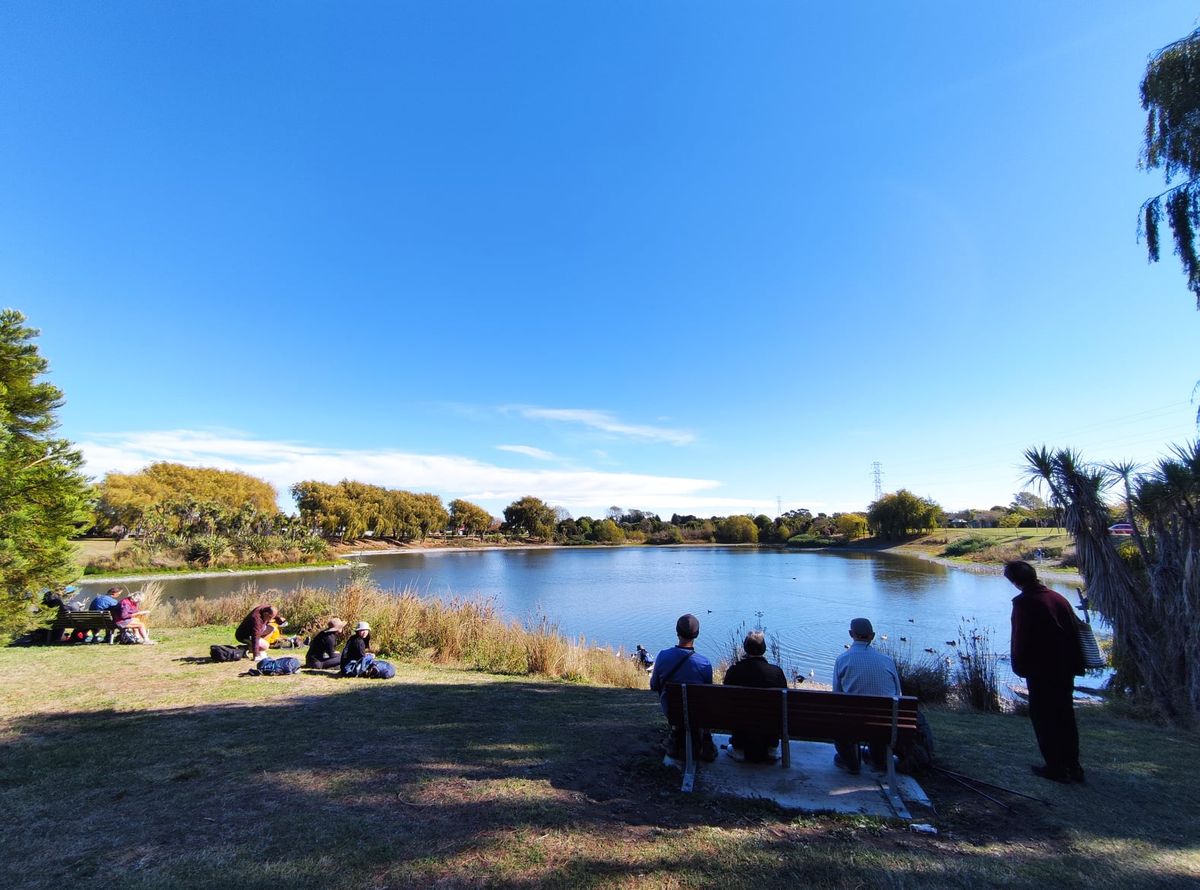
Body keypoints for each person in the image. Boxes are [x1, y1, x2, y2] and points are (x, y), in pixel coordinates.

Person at [1005, 560, 1086, 783]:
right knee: (1065, 715)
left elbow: (1020, 638)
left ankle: (1055, 767)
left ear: (1014, 581)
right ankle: (1073, 766)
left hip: (1041, 670)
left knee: (1044, 718)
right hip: (1065, 668)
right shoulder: (1058, 598)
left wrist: (1019, 665)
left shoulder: (1025, 603)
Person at [831, 617, 900, 774]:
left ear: (851, 634)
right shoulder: (887, 661)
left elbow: (836, 696)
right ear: (872, 636)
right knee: (879, 718)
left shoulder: (842, 660)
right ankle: (878, 760)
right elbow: (898, 694)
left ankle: (851, 762)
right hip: (884, 724)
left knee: (841, 718)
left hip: (853, 724)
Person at [648, 613, 716, 761]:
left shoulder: (663, 656)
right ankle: (705, 739)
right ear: (696, 634)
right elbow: (708, 693)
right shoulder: (704, 663)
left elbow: (654, 686)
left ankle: (676, 734)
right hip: (697, 713)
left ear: (677, 632)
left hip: (672, 711)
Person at [722, 630, 788, 762]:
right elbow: (785, 703)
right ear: (764, 649)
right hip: (769, 733)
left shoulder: (734, 671)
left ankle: (739, 749)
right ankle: (771, 748)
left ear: (745, 648)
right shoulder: (776, 673)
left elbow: (725, 701)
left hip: (741, 734)